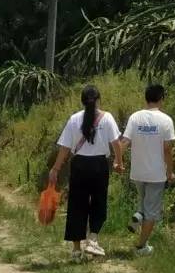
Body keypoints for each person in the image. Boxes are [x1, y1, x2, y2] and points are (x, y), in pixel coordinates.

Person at [49, 85, 123, 261]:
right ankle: (93, 239)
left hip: (80, 165)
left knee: (77, 205)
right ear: (99, 100)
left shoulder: (74, 119)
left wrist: (55, 168)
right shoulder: (107, 118)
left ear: (82, 101)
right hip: (99, 165)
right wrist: (118, 162)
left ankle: (76, 250)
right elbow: (116, 143)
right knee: (99, 202)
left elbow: (65, 147)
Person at [121, 84, 175, 257]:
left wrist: (117, 160)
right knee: (152, 211)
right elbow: (167, 149)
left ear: (146, 98)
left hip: (138, 171)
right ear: (162, 99)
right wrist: (170, 172)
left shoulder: (135, 117)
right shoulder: (166, 120)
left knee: (143, 203)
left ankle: (138, 217)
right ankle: (141, 247)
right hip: (156, 174)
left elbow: (125, 141)